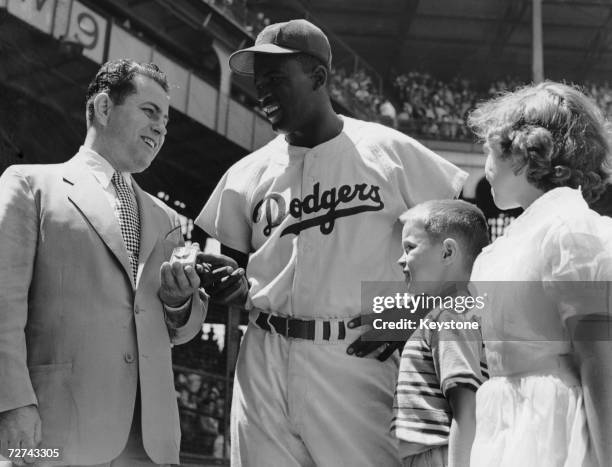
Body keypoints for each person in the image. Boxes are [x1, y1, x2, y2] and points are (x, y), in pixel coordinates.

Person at [196, 19, 468, 466]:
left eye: (276, 79)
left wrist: (407, 313)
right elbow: (242, 278)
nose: (262, 90)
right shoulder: (247, 173)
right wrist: (234, 287)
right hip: (263, 358)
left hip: (357, 355)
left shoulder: (390, 151)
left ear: (318, 77)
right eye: (259, 80)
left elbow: (461, 256)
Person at [0, 59, 229, 466]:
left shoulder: (167, 220)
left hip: (151, 444)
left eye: (166, 120)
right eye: (149, 111)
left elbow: (180, 331)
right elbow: (3, 302)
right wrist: (11, 402)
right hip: (54, 433)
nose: (161, 128)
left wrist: (178, 303)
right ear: (104, 109)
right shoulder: (30, 185)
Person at [467, 81, 612, 466]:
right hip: (506, 424)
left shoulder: (569, 231)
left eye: (489, 150)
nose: (485, 164)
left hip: (556, 431)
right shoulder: (508, 244)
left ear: (524, 151)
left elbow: (599, 359)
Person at [392, 200, 489, 467]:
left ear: (447, 252)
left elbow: (466, 409)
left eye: (410, 247)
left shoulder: (451, 316)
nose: (401, 259)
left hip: (441, 456)